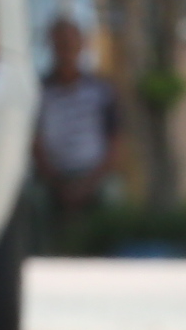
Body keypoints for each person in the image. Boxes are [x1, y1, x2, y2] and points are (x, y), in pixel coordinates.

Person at [33, 18, 121, 219]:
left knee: (113, 195)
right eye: (60, 45)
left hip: (94, 176)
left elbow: (115, 143)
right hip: (54, 179)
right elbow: (35, 144)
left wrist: (88, 184)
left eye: (70, 44)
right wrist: (57, 184)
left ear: (81, 46)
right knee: (33, 200)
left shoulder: (101, 90)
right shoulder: (40, 92)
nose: (66, 51)